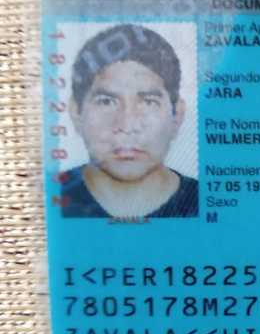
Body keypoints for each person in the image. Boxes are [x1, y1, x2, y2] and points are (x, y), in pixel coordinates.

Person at [59, 24, 198, 218]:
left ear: (177, 115)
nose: (127, 126)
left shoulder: (203, 201)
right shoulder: (50, 198)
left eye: (149, 102)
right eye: (106, 102)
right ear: (76, 113)